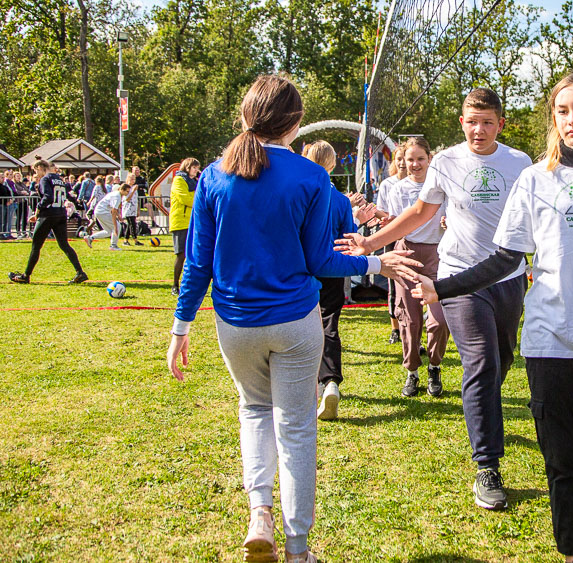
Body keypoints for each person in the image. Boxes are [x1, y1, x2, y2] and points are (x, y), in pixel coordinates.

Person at [407, 73, 573, 562]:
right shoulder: (534, 178)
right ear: (553, 117)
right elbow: (505, 259)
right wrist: (441, 286)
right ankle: (571, 552)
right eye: (563, 111)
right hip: (548, 336)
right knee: (557, 458)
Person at [165, 74, 420, 563]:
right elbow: (322, 261)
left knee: (254, 410)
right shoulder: (311, 178)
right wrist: (375, 262)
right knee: (296, 428)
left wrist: (181, 328)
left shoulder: (216, 176)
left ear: (245, 117)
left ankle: (260, 512)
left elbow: (197, 263)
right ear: (297, 124)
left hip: (235, 323)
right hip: (294, 323)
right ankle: (299, 551)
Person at [337, 88, 532, 510]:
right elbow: (421, 214)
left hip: (509, 277)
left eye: (486, 121)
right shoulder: (445, 162)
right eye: (470, 120)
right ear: (461, 122)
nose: (478, 129)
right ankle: (488, 466)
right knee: (479, 360)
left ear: (501, 124)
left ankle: (483, 405)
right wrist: (370, 244)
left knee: (501, 360)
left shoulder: (521, 163)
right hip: (458, 276)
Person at [302, 140, 377, 421]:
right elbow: (349, 240)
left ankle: (308, 383)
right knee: (328, 324)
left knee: (301, 325)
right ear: (332, 165)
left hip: (301, 270)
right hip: (332, 268)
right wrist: (356, 219)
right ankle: (330, 381)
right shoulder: (338, 200)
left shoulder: (299, 192)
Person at [381, 136, 449, 397]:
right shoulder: (397, 189)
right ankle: (412, 372)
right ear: (403, 162)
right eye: (410, 159)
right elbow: (397, 224)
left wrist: (447, 223)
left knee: (439, 320)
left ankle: (434, 366)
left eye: (421, 159)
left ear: (429, 159)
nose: (415, 164)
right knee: (410, 320)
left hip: (437, 254)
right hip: (407, 253)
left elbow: (450, 217)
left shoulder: (441, 188)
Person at [8, 157, 88, 284]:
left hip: (48, 215)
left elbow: (47, 197)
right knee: (64, 245)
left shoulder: (45, 179)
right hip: (60, 214)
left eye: (35, 171)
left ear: (40, 168)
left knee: (36, 245)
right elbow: (66, 196)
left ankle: (26, 275)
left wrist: (37, 211)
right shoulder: (60, 180)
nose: (35, 174)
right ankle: (80, 272)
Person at [377, 146, 407, 344]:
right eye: (399, 159)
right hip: (394, 238)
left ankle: (416, 325)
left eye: (405, 158)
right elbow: (380, 211)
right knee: (395, 284)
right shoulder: (387, 184)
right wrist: (392, 220)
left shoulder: (425, 182)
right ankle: (395, 327)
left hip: (417, 239)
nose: (403, 162)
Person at [169, 158, 201, 296]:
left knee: (194, 255)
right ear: (187, 167)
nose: (196, 170)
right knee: (181, 254)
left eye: (197, 168)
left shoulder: (196, 182)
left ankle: (190, 284)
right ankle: (175, 284)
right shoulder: (179, 180)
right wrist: (198, 196)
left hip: (193, 221)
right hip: (181, 222)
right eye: (194, 168)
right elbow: (186, 199)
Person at [85, 183, 128, 251]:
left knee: (108, 231)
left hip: (99, 211)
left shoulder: (115, 194)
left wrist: (119, 216)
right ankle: (113, 246)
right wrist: (115, 226)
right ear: (122, 190)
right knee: (117, 226)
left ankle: (90, 238)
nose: (127, 193)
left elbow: (113, 209)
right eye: (127, 191)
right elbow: (113, 211)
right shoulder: (117, 196)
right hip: (103, 212)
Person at [121, 173, 143, 246]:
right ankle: (135, 240)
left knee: (130, 225)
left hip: (133, 209)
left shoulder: (134, 188)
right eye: (131, 179)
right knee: (132, 224)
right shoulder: (127, 188)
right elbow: (127, 198)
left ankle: (126, 240)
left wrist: (138, 210)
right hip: (128, 209)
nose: (133, 181)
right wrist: (133, 191)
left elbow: (136, 200)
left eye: (134, 179)